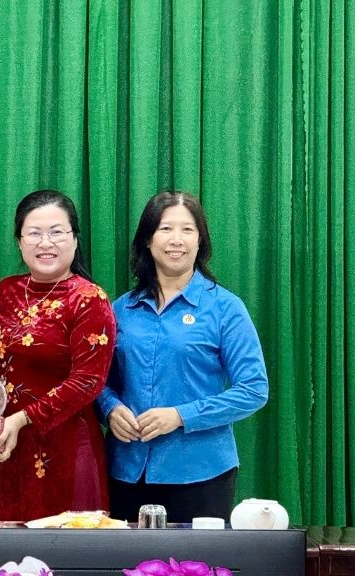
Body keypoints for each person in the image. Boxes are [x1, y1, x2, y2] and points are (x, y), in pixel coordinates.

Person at [97, 191, 268, 524]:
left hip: (201, 473)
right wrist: (110, 408)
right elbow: (98, 381)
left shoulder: (225, 308)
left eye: (187, 230)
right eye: (165, 229)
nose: (177, 240)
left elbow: (253, 389)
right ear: (147, 239)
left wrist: (180, 415)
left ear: (200, 241)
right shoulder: (119, 310)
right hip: (126, 470)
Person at [0, 189, 116, 521]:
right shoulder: (6, 290)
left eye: (57, 233)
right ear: (19, 241)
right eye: (35, 233)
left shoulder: (89, 299)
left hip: (65, 449)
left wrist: (21, 419)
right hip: (5, 447)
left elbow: (88, 382)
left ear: (74, 238)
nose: (46, 243)